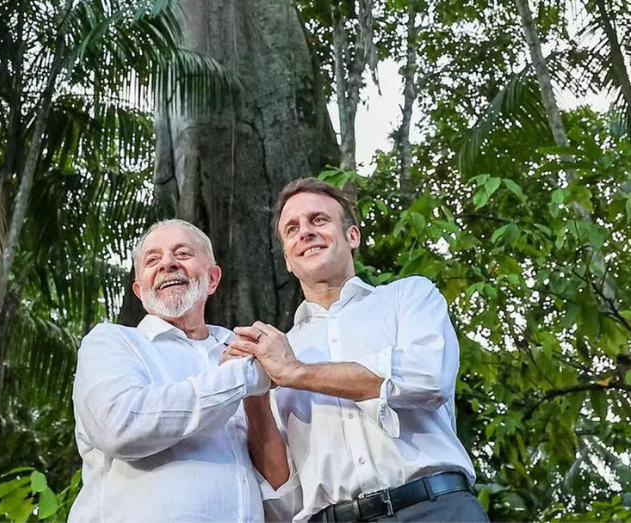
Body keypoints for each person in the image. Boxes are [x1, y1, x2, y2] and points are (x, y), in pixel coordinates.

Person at [225, 178, 488, 523]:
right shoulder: (279, 351)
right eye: (292, 229)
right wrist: (253, 395)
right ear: (288, 259)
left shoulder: (407, 296)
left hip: (437, 508)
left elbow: (427, 377)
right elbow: (284, 496)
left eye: (319, 220)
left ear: (352, 236)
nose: (305, 232)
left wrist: (298, 373)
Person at [70, 219, 272, 523]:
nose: (167, 264)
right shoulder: (112, 342)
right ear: (139, 289)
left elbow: (272, 466)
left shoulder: (243, 349)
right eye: (153, 259)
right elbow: (120, 426)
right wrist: (243, 377)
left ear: (213, 279)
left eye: (183, 254)